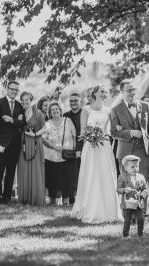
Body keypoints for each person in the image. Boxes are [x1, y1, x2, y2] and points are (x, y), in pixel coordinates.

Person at [71, 85, 123, 223]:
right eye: (101, 91)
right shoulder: (86, 110)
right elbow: (82, 132)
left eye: (106, 92)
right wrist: (92, 135)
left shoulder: (108, 110)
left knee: (106, 176)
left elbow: (110, 131)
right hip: (90, 146)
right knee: (91, 175)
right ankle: (89, 208)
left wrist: (116, 129)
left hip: (105, 146)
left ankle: (109, 210)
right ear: (94, 93)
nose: (104, 93)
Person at [110, 80, 149, 214]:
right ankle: (127, 211)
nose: (132, 92)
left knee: (144, 181)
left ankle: (143, 212)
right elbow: (114, 133)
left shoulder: (145, 106)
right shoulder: (115, 109)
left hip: (143, 151)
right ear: (122, 92)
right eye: (129, 90)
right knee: (127, 183)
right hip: (125, 152)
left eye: (133, 90)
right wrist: (130, 133)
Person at [0, 80, 25, 203]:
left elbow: (22, 123)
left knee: (11, 172)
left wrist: (13, 120)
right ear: (7, 88)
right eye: (12, 89)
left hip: (15, 145)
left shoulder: (19, 105)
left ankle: (7, 197)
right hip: (1, 144)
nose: (14, 92)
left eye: (16, 90)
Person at [43, 102, 77, 205]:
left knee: (67, 180)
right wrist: (56, 147)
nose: (55, 111)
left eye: (57, 109)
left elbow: (74, 136)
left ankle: (66, 202)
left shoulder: (68, 121)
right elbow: (44, 139)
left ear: (60, 110)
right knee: (53, 180)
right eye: (52, 110)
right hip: (51, 157)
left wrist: (73, 150)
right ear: (50, 112)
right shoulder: (47, 123)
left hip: (66, 156)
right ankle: (53, 201)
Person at [17, 92, 46, 205]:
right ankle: (24, 198)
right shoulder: (20, 113)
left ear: (31, 100)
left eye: (27, 100)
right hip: (23, 143)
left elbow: (44, 128)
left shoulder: (37, 113)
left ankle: (35, 197)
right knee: (24, 168)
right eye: (22, 100)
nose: (24, 102)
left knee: (35, 169)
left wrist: (35, 134)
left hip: (35, 142)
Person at [117, 155, 149, 237]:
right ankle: (125, 234)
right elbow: (118, 189)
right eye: (132, 167)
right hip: (127, 203)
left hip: (137, 203)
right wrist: (124, 190)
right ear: (126, 168)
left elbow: (146, 189)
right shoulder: (122, 177)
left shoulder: (141, 177)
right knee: (127, 219)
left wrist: (142, 195)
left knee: (140, 218)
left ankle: (140, 234)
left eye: (137, 166)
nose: (135, 168)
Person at [63, 92, 83, 204]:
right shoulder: (65, 115)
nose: (73, 102)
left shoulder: (85, 113)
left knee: (82, 172)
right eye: (71, 101)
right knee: (70, 173)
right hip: (69, 149)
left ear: (80, 101)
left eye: (76, 100)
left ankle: (81, 197)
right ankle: (71, 198)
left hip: (83, 148)